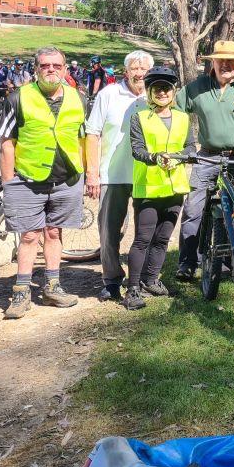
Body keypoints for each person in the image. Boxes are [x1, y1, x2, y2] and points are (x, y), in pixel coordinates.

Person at [0, 47, 87, 319]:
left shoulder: (79, 99)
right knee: (29, 235)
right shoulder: (18, 98)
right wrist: (8, 182)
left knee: (55, 232)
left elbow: (85, 138)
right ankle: (21, 290)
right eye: (45, 65)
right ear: (36, 69)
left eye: (57, 66)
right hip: (27, 179)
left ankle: (52, 285)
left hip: (66, 179)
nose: (51, 70)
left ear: (65, 69)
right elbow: (7, 143)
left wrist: (89, 173)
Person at [174, 40, 234, 281]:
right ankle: (187, 262)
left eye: (231, 60)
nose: (226, 64)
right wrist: (188, 144)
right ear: (212, 62)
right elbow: (177, 112)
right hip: (207, 156)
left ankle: (232, 260)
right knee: (193, 208)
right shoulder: (197, 88)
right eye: (220, 60)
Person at [84, 50, 153, 301]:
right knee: (109, 231)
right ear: (126, 71)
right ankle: (112, 279)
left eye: (144, 69)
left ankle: (144, 277)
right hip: (113, 174)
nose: (139, 73)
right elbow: (92, 134)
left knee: (146, 231)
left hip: (147, 174)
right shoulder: (108, 94)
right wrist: (92, 174)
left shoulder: (156, 95)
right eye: (135, 69)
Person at [125, 66, 194, 310]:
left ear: (173, 91)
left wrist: (179, 157)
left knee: (163, 238)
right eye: (157, 88)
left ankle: (150, 279)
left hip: (175, 187)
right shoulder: (140, 117)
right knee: (143, 238)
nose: (163, 92)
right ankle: (132, 288)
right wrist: (155, 157)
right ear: (149, 92)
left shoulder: (183, 118)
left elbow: (191, 147)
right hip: (149, 188)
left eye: (167, 88)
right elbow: (137, 149)